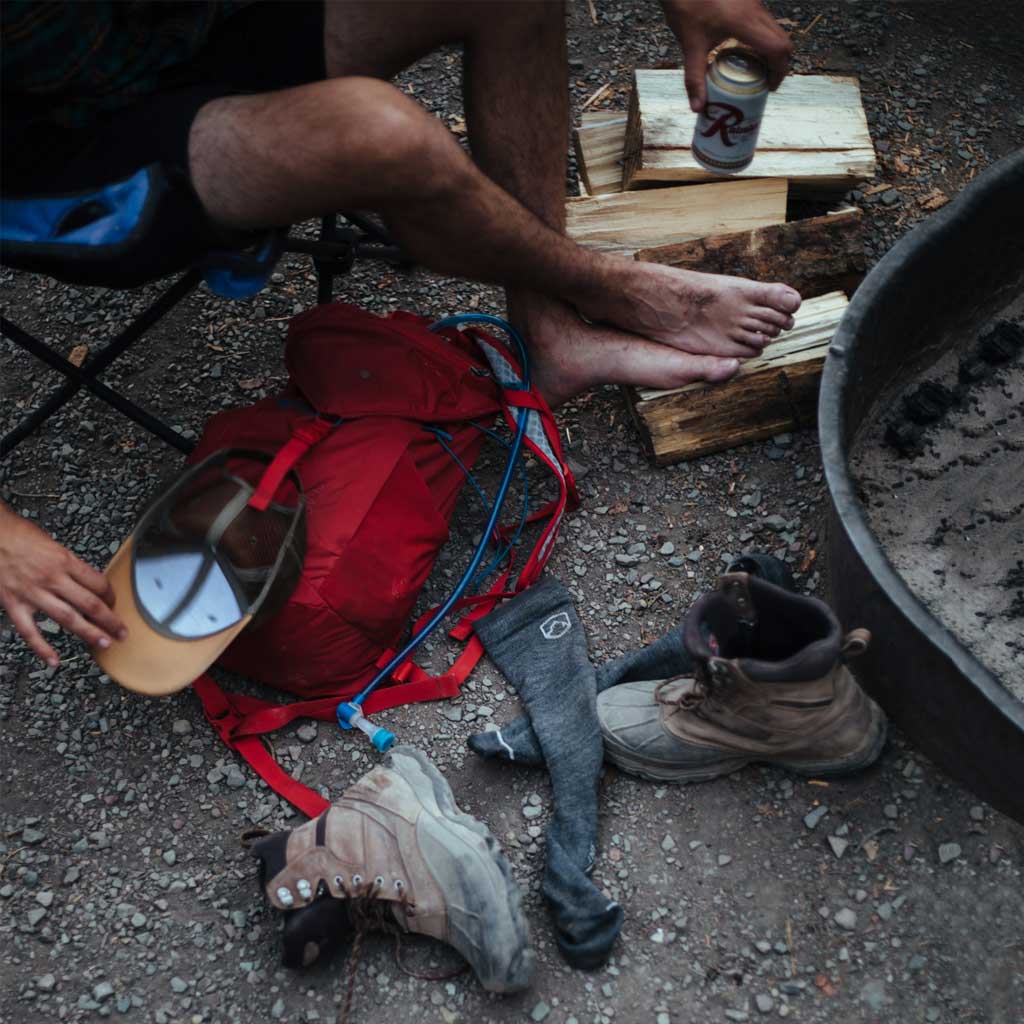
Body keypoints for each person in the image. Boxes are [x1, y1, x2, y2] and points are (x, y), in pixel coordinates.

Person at [1, 0, 799, 669]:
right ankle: (617, 289)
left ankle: (552, 332)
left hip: (175, 24)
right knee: (382, 136)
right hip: (57, 148)